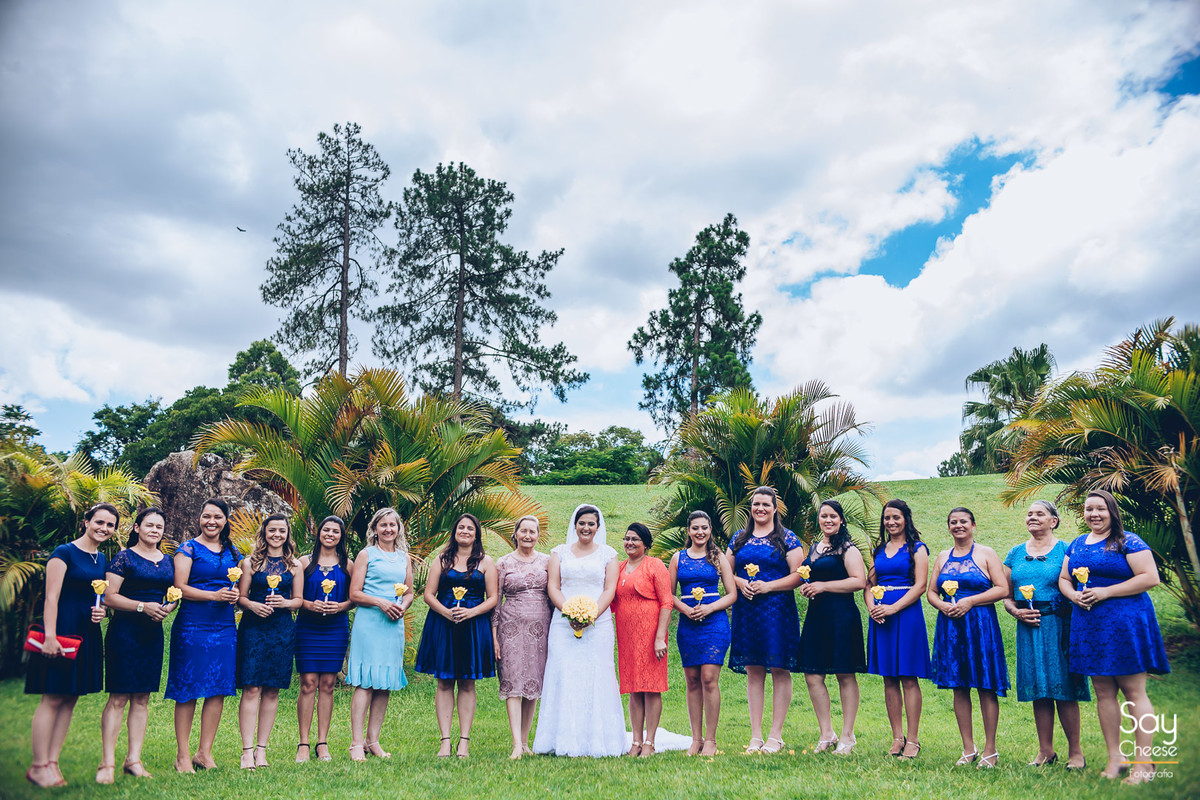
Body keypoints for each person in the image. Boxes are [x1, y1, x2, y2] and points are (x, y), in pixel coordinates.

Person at [1060, 489, 1169, 785]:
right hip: (1090, 624)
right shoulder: (1078, 543)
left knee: (1134, 692)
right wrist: (1073, 596)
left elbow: (1150, 577)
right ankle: (1115, 759)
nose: (1094, 514)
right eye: (1089, 509)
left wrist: (1106, 591)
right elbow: (1064, 578)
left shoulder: (1127, 540)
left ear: (1112, 511)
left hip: (1126, 623)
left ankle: (1144, 763)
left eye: (1100, 509)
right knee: (1104, 693)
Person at [25, 502, 115, 788]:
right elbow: (51, 598)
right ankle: (38, 765)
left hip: (86, 632)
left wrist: (100, 613)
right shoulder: (63, 553)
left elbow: (96, 598)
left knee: (70, 698)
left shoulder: (100, 559)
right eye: (99, 522)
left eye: (110, 525)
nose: (104, 528)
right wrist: (50, 636)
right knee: (52, 697)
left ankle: (52, 762)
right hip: (62, 628)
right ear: (86, 522)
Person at [532, 504, 626, 757]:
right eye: (582, 523)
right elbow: (554, 586)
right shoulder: (559, 552)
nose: (586, 528)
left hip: (600, 623)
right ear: (575, 525)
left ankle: (598, 740)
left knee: (597, 673)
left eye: (591, 524)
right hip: (563, 623)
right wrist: (570, 613)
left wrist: (591, 614)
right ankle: (559, 739)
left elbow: (610, 589)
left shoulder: (608, 554)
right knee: (563, 672)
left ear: (598, 527)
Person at [1002, 500, 1089, 769]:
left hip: (1059, 625)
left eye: (1040, 513)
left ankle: (1076, 752)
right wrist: (1016, 612)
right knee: (1040, 688)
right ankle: (1045, 751)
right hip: (1028, 626)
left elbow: (1079, 584)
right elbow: (1005, 594)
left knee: (1064, 687)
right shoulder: (1015, 553)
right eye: (1029, 514)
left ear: (1054, 521)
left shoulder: (1066, 550)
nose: (1032, 517)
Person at [99, 507, 177, 782]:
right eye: (149, 525)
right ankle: (106, 763)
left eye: (159, 526)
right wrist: (143, 606)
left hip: (152, 634)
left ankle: (133, 759)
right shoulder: (124, 558)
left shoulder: (168, 561)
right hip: (125, 632)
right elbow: (109, 597)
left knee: (142, 698)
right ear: (136, 528)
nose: (154, 530)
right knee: (119, 696)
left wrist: (168, 606)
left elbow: (172, 594)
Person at [928, 507, 1010, 768]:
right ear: (948, 527)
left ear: (974, 525)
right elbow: (931, 592)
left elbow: (1002, 588)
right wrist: (942, 606)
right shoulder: (942, 556)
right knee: (959, 686)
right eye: (953, 522)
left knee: (986, 686)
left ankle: (990, 749)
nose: (958, 526)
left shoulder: (986, 554)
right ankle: (968, 747)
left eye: (963, 521)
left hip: (980, 625)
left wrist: (970, 601)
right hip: (951, 628)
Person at [726, 486, 804, 754]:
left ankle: (776, 735)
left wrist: (769, 586)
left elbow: (799, 575)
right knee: (753, 670)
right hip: (747, 611)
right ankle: (756, 735)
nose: (760, 509)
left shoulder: (788, 538)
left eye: (765, 505)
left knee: (779, 669)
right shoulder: (739, 538)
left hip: (777, 609)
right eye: (756, 504)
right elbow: (724, 570)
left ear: (774, 509)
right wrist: (740, 583)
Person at [165, 498, 240, 773]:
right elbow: (179, 586)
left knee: (217, 688)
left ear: (225, 520)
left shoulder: (232, 551)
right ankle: (182, 755)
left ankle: (204, 752)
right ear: (199, 518)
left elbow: (239, 587)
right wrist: (213, 594)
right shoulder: (188, 549)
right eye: (207, 516)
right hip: (193, 625)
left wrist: (235, 595)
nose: (212, 521)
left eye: (218, 517)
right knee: (188, 689)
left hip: (224, 627)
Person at [415, 513, 499, 758]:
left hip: (473, 626)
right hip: (443, 624)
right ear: (454, 532)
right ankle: (445, 740)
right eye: (460, 527)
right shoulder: (442, 559)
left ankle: (464, 741)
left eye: (470, 528)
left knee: (467, 682)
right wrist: (447, 612)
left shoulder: (486, 562)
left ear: (476, 533)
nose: (465, 531)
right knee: (443, 682)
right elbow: (428, 594)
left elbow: (493, 598)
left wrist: (471, 612)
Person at [798, 500, 867, 755]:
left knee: (844, 673)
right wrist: (808, 587)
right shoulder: (815, 548)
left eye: (833, 516)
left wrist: (824, 586)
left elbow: (859, 581)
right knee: (812, 674)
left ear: (841, 520)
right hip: (817, 616)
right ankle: (827, 733)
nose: (828, 520)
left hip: (842, 616)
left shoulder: (848, 549)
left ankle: (848, 735)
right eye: (823, 516)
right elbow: (810, 577)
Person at [235, 513, 303, 769]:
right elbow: (240, 597)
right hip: (254, 628)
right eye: (272, 530)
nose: (277, 535)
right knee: (252, 687)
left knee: (272, 689)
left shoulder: (294, 565)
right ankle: (246, 750)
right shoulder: (250, 563)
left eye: (282, 531)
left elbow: (299, 600)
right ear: (264, 533)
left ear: (287, 534)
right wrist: (252, 605)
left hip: (282, 630)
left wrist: (285, 603)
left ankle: (262, 750)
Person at [346, 508, 413, 761]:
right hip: (370, 622)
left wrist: (402, 606)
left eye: (392, 525)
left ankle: (372, 740)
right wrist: (382, 603)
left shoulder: (404, 557)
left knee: (384, 683)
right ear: (375, 528)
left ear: (398, 529)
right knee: (365, 682)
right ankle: (355, 743)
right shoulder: (367, 554)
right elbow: (355, 593)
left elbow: (408, 591)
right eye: (383, 525)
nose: (388, 529)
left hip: (393, 624)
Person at [865, 499, 930, 759]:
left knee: (908, 676)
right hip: (880, 617)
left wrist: (893, 608)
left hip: (907, 615)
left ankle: (913, 740)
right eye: (886, 518)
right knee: (888, 677)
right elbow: (869, 584)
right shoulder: (878, 549)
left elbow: (921, 586)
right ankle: (896, 737)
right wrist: (872, 607)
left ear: (906, 519)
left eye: (896, 517)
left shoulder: (917, 548)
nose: (891, 522)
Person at [667, 510, 736, 756]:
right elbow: (669, 592)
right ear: (688, 531)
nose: (700, 532)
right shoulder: (678, 558)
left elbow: (732, 594)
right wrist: (685, 609)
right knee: (692, 680)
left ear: (710, 531)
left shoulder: (718, 557)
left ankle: (711, 740)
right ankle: (695, 739)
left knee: (709, 678)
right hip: (688, 625)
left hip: (715, 623)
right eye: (695, 528)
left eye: (704, 528)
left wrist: (709, 607)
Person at [492, 515, 551, 760]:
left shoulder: (548, 561)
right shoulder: (503, 563)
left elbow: (554, 593)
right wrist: (494, 636)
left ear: (538, 535)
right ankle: (516, 743)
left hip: (541, 628)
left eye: (532, 532)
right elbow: (495, 602)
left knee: (533, 684)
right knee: (513, 682)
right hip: (510, 628)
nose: (528, 536)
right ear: (515, 533)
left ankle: (526, 741)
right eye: (523, 531)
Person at [611, 522, 673, 757]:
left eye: (635, 539)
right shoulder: (618, 567)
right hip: (627, 636)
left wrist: (660, 637)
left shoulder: (654, 565)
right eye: (627, 538)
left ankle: (650, 741)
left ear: (646, 543)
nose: (630, 543)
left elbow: (667, 602)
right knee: (634, 688)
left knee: (651, 687)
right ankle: (635, 741)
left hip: (651, 635)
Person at [295, 515, 352, 763]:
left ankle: (323, 743)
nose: (330, 534)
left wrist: (341, 607)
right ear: (319, 533)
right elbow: (294, 597)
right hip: (308, 627)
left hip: (335, 629)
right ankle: (303, 744)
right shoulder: (303, 563)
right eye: (326, 530)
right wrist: (310, 604)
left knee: (328, 684)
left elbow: (355, 597)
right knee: (308, 683)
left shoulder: (348, 565)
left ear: (341, 536)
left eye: (335, 531)